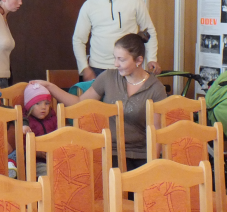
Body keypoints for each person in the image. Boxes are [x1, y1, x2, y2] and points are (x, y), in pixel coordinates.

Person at [36, 33, 166, 170]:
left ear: (139, 60)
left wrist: (152, 166)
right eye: (115, 58)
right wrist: (50, 87)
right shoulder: (108, 77)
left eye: (121, 60)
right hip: (110, 150)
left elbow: (156, 131)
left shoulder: (156, 88)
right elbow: (79, 103)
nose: (116, 64)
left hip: (141, 153)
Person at [73, 0, 160, 82]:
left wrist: (152, 58)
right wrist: (84, 68)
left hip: (129, 66)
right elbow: (78, 39)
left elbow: (148, 31)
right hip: (98, 68)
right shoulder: (89, 5)